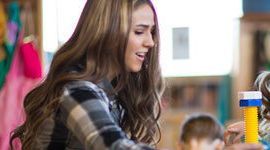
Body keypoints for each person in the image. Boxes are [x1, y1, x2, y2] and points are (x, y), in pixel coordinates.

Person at [9, 0, 164, 149]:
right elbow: (111, 145)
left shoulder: (110, 92)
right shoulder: (77, 89)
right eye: (139, 32)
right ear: (108, 31)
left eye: (151, 32)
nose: (150, 42)